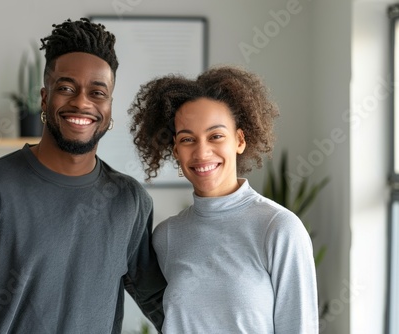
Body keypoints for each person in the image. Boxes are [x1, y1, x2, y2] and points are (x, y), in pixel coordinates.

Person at [0, 18, 166, 333]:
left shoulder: (130, 201)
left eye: (97, 93)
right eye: (67, 88)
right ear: (45, 98)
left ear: (109, 108)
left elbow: (161, 302)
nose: (82, 102)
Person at [128, 66, 319, 333]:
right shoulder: (166, 236)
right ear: (176, 150)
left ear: (239, 140)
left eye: (216, 136)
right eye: (187, 139)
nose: (202, 151)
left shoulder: (279, 228)